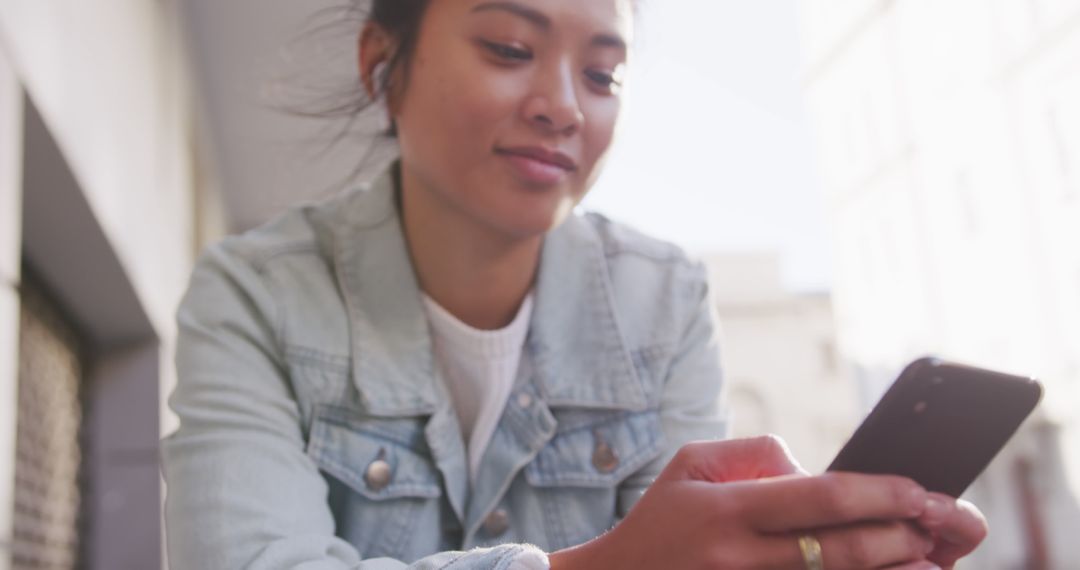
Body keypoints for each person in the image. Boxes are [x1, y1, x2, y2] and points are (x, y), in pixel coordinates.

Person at [161, 1, 989, 568]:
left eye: (603, 77)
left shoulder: (664, 304)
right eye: (510, 50)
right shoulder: (255, 296)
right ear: (384, 64)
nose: (563, 107)